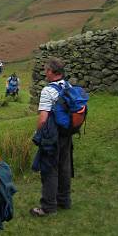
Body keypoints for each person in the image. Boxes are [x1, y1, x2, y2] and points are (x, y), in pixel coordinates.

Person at [30, 57, 74, 217]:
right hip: (66, 133)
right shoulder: (68, 86)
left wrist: (37, 133)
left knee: (49, 169)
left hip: (52, 135)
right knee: (64, 166)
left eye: (46, 70)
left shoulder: (48, 90)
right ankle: (64, 200)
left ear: (51, 72)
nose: (45, 73)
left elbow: (43, 118)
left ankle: (48, 207)